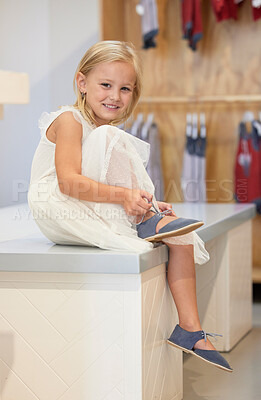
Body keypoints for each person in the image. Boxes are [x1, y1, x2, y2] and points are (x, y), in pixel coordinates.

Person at [28, 40, 232, 372]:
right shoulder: (70, 120)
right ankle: (147, 219)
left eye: (125, 88)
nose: (115, 96)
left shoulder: (101, 129)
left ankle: (190, 330)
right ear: (82, 83)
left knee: (179, 237)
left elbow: (104, 180)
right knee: (112, 138)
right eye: (105, 85)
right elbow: (68, 182)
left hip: (85, 203)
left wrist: (141, 199)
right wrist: (126, 197)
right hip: (58, 207)